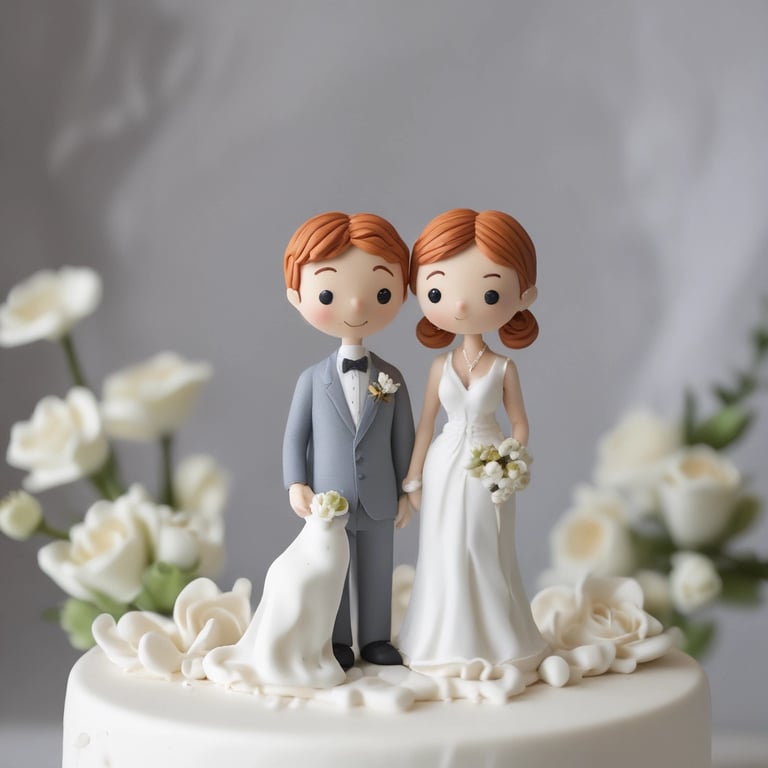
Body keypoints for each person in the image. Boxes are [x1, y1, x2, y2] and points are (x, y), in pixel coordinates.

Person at [398, 208, 549, 678]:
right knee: (442, 548)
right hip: (445, 465)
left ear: (522, 296)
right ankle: (439, 638)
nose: (460, 306)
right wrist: (413, 477)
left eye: (486, 291)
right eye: (440, 291)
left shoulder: (505, 368)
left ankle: (497, 638)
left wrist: (508, 461)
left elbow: (520, 423)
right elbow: (425, 425)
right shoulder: (439, 367)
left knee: (486, 548)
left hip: (488, 468)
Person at [282, 211, 415, 670]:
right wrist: (295, 483)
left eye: (379, 292)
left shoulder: (392, 377)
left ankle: (376, 638)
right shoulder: (311, 380)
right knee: (331, 574)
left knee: (378, 572)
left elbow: (406, 439)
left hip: (380, 498)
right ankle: (336, 641)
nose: (356, 304)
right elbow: (294, 437)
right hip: (328, 501)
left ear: (401, 291)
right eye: (328, 292)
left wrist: (407, 491)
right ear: (297, 296)